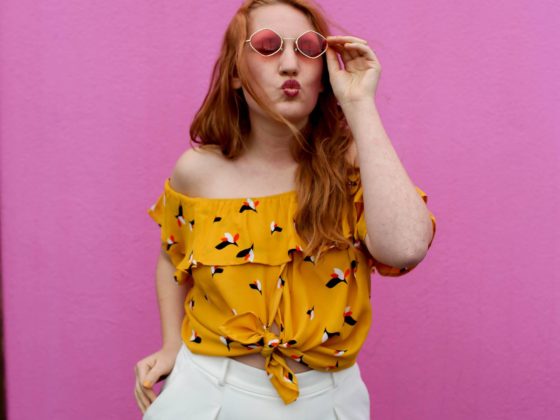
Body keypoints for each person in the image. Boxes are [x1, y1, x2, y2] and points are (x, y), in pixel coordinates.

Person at [134, 0, 437, 418]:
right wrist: (170, 345)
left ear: (323, 73)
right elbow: (172, 254)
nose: (291, 64)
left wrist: (360, 104)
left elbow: (405, 248)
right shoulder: (197, 171)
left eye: (309, 47)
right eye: (268, 46)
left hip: (327, 397)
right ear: (237, 74)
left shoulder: (353, 165)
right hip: (208, 390)